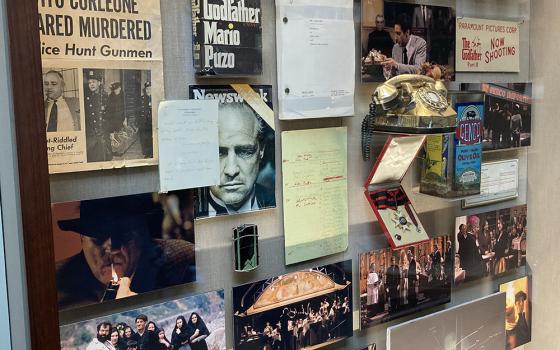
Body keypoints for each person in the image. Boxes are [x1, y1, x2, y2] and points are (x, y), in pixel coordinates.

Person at [55, 194, 196, 310]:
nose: (112, 250)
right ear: (82, 238)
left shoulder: (184, 259)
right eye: (98, 238)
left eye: (123, 236)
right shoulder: (54, 286)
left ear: (140, 236)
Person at [199, 102, 275, 216]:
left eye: (244, 151)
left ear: (261, 150)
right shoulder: (187, 214)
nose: (231, 170)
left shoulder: (278, 201)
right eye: (217, 153)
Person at [84, 69, 111, 162]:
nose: (91, 84)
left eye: (94, 82)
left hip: (103, 132)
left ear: (99, 83)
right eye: (89, 82)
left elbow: (110, 114)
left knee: (105, 157)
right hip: (91, 133)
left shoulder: (105, 96)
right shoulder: (86, 97)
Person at [139, 81, 153, 158]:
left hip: (152, 121)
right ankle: (147, 152)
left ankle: (152, 153)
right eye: (147, 89)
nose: (148, 90)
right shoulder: (142, 98)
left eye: (150, 89)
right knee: (144, 138)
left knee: (151, 137)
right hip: (144, 121)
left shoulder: (155, 97)